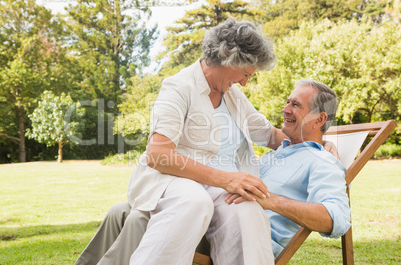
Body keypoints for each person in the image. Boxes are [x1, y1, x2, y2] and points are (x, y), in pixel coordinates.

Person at [75, 18, 286, 265]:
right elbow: (158, 155)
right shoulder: (178, 87)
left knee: (248, 212)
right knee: (194, 202)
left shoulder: (233, 95)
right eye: (245, 74)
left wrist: (316, 142)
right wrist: (227, 179)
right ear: (230, 59)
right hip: (175, 179)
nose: (245, 82)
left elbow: (270, 135)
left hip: (221, 187)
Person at [226, 79, 351, 257]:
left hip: (248, 242)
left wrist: (270, 199)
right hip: (223, 223)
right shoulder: (277, 154)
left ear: (319, 119)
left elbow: (335, 218)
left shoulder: (323, 161)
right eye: (287, 102)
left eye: (296, 105)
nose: (285, 110)